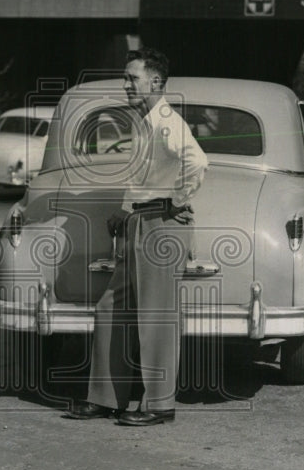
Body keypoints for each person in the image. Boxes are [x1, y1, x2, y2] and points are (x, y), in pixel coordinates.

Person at [66, 48, 208, 426]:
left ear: (156, 82)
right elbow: (146, 176)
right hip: (141, 223)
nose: (126, 84)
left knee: (156, 317)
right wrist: (129, 211)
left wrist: (174, 201)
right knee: (110, 308)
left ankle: (159, 405)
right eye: (125, 77)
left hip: (162, 225)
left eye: (133, 78)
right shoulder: (144, 121)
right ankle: (106, 399)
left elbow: (198, 163)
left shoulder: (167, 121)